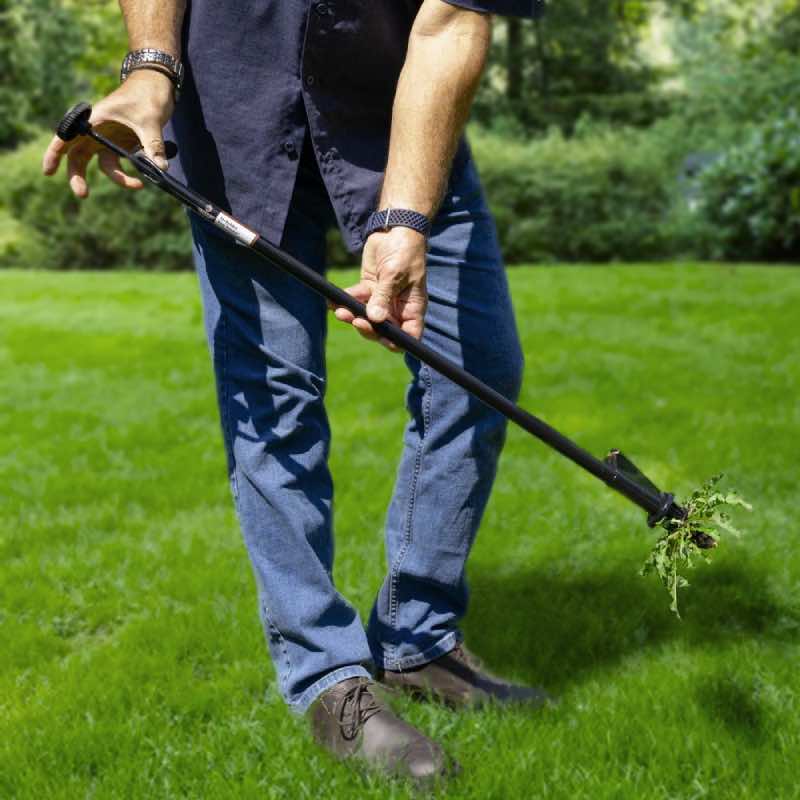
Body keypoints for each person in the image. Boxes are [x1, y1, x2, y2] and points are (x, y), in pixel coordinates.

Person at [42, 0, 549, 783]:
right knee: (273, 400)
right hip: (237, 121)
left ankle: (416, 637)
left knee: (476, 366)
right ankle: (329, 678)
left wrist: (405, 214)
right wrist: (149, 70)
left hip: (398, 120)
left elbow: (450, 21)